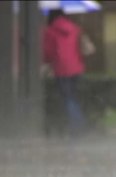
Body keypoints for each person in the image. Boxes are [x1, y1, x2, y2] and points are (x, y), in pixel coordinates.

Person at [43, 9, 88, 137]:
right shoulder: (74, 28)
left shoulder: (50, 31)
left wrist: (46, 62)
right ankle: (78, 124)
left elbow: (48, 52)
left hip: (62, 70)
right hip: (77, 68)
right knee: (74, 98)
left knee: (68, 99)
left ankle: (77, 126)